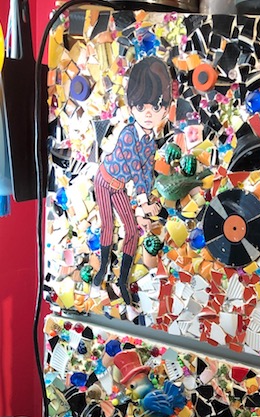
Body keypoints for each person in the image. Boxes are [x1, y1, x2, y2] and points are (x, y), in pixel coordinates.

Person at [93, 56, 172, 304]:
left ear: (166, 109)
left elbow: (145, 173)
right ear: (131, 107)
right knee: (108, 226)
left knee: (132, 232)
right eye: (140, 107)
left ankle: (122, 282)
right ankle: (101, 270)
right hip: (104, 180)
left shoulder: (149, 141)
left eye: (156, 107)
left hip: (119, 188)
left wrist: (146, 204)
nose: (148, 114)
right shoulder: (128, 134)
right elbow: (135, 169)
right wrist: (143, 203)